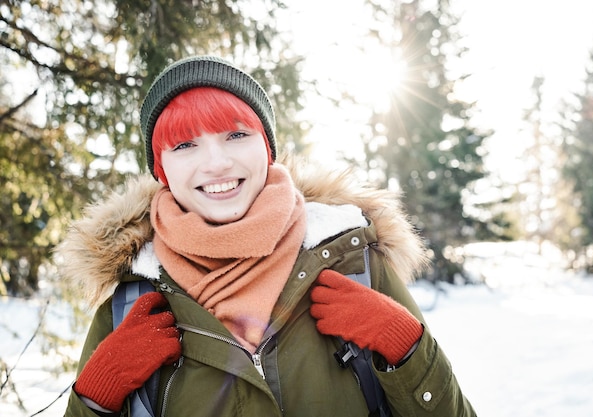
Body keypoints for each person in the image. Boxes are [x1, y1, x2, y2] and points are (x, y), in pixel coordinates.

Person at [58, 55, 476, 417]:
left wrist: (406, 349)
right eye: (185, 144)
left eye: (236, 135)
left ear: (267, 148)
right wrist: (94, 399)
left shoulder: (355, 261)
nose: (216, 163)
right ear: (162, 168)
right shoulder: (132, 299)